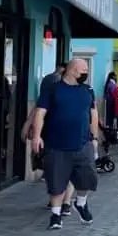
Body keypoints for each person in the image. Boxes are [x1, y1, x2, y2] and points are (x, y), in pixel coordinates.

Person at [29, 59, 101, 230]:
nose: (86, 73)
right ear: (73, 71)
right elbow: (40, 113)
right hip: (56, 145)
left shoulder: (88, 91)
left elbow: (94, 114)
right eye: (84, 70)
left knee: (87, 178)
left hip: (83, 144)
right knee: (56, 182)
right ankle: (55, 215)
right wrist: (37, 136)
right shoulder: (52, 90)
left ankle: (81, 204)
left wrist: (95, 138)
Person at [22, 61, 76, 215]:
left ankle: (59, 200)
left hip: (54, 132)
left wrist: (28, 124)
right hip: (60, 133)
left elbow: (39, 107)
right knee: (66, 168)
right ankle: (63, 202)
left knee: (57, 167)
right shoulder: (57, 84)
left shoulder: (50, 81)